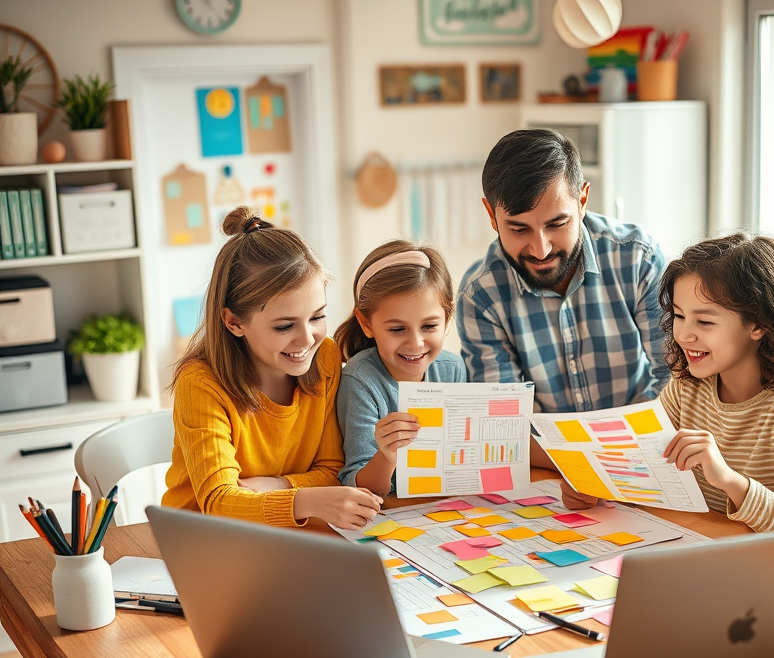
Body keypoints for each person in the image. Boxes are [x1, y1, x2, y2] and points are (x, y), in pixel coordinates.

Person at [562, 233, 774, 531]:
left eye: (704, 322)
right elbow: (652, 476)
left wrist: (728, 480)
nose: (684, 335)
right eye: (678, 315)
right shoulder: (687, 387)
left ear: (759, 324)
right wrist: (599, 485)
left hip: (773, 564)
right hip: (705, 545)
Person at [163, 206, 382, 529]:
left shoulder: (325, 358)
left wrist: (279, 485)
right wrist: (309, 497)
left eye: (318, 317)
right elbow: (219, 501)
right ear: (234, 322)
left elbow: (332, 468)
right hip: (199, 538)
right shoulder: (200, 383)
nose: (307, 339)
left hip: (285, 534)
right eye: (284, 327)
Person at [457, 128, 669, 415]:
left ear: (582, 201)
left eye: (556, 224)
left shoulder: (636, 258)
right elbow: (502, 420)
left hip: (642, 435)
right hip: (545, 455)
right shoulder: (480, 296)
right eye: (519, 229)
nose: (540, 250)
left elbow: (675, 383)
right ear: (491, 215)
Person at [334, 241, 466, 497]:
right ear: (366, 323)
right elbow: (361, 488)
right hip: (392, 511)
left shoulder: (452, 369)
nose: (416, 343)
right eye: (397, 329)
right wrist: (386, 455)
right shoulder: (360, 380)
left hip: (441, 506)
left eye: (429, 326)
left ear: (447, 317)